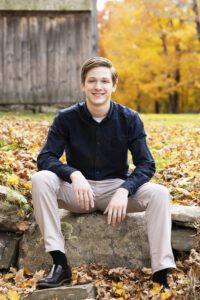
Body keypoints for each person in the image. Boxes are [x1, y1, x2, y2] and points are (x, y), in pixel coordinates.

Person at [31, 57, 176, 290]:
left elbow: (146, 164)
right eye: (92, 81)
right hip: (78, 193)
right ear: (83, 84)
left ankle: (161, 273)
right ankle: (60, 264)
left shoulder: (129, 118)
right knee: (41, 179)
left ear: (113, 85)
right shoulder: (66, 118)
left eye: (104, 81)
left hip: (115, 192)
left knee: (160, 193)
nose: (98, 86)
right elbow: (45, 158)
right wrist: (73, 174)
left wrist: (125, 189)